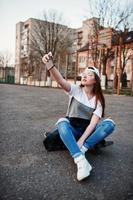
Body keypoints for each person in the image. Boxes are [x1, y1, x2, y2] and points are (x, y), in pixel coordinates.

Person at [42, 52, 116, 181]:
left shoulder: (98, 101)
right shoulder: (75, 90)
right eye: (84, 73)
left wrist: (82, 141)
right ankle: (80, 160)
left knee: (110, 124)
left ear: (96, 80)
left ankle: (82, 148)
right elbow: (60, 80)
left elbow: (93, 124)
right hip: (73, 128)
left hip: (87, 132)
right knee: (61, 123)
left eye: (89, 74)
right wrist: (49, 64)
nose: (85, 76)